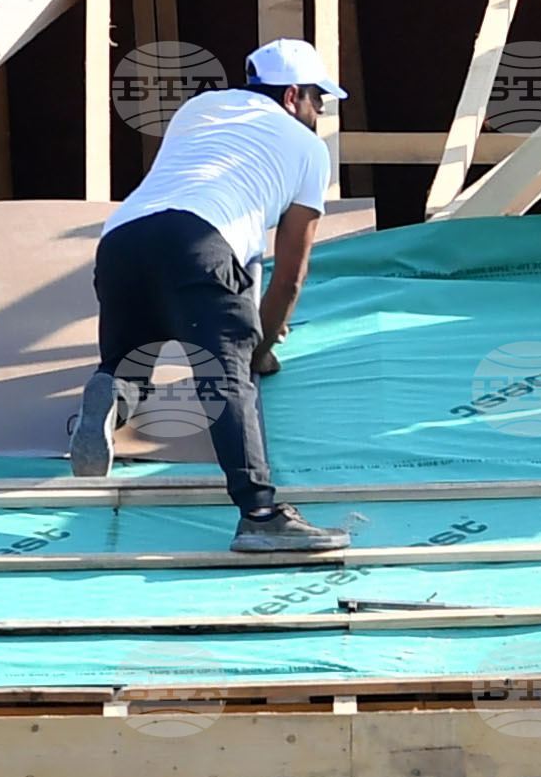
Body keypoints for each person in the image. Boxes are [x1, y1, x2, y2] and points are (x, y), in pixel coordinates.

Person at [69, 36, 348, 553]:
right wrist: (259, 350)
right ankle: (261, 514)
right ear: (292, 96)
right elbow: (291, 273)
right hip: (202, 240)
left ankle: (112, 391)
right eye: (317, 100)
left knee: (131, 361)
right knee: (226, 380)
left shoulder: (199, 109)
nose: (319, 113)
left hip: (123, 239)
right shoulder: (308, 149)